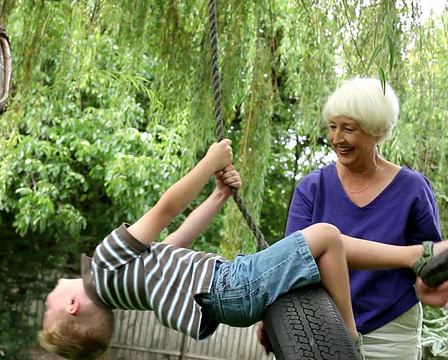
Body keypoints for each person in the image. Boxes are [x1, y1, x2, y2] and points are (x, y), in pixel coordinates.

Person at [38, 139, 448, 360]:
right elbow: (165, 209)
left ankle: (411, 261)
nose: (46, 300)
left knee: (324, 246)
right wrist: (207, 162)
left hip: (229, 297)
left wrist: (217, 196)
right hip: (230, 286)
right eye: (48, 308)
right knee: (325, 235)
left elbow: (174, 244)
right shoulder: (107, 262)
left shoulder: (121, 286)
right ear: (73, 305)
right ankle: (352, 333)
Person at [258, 77, 446, 359]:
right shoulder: (312, 188)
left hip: (390, 329)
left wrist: (432, 285)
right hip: (320, 326)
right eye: (333, 127)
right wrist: (272, 314)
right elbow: (291, 262)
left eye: (349, 129)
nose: (336, 138)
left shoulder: (413, 189)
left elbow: (430, 265)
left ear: (377, 132)